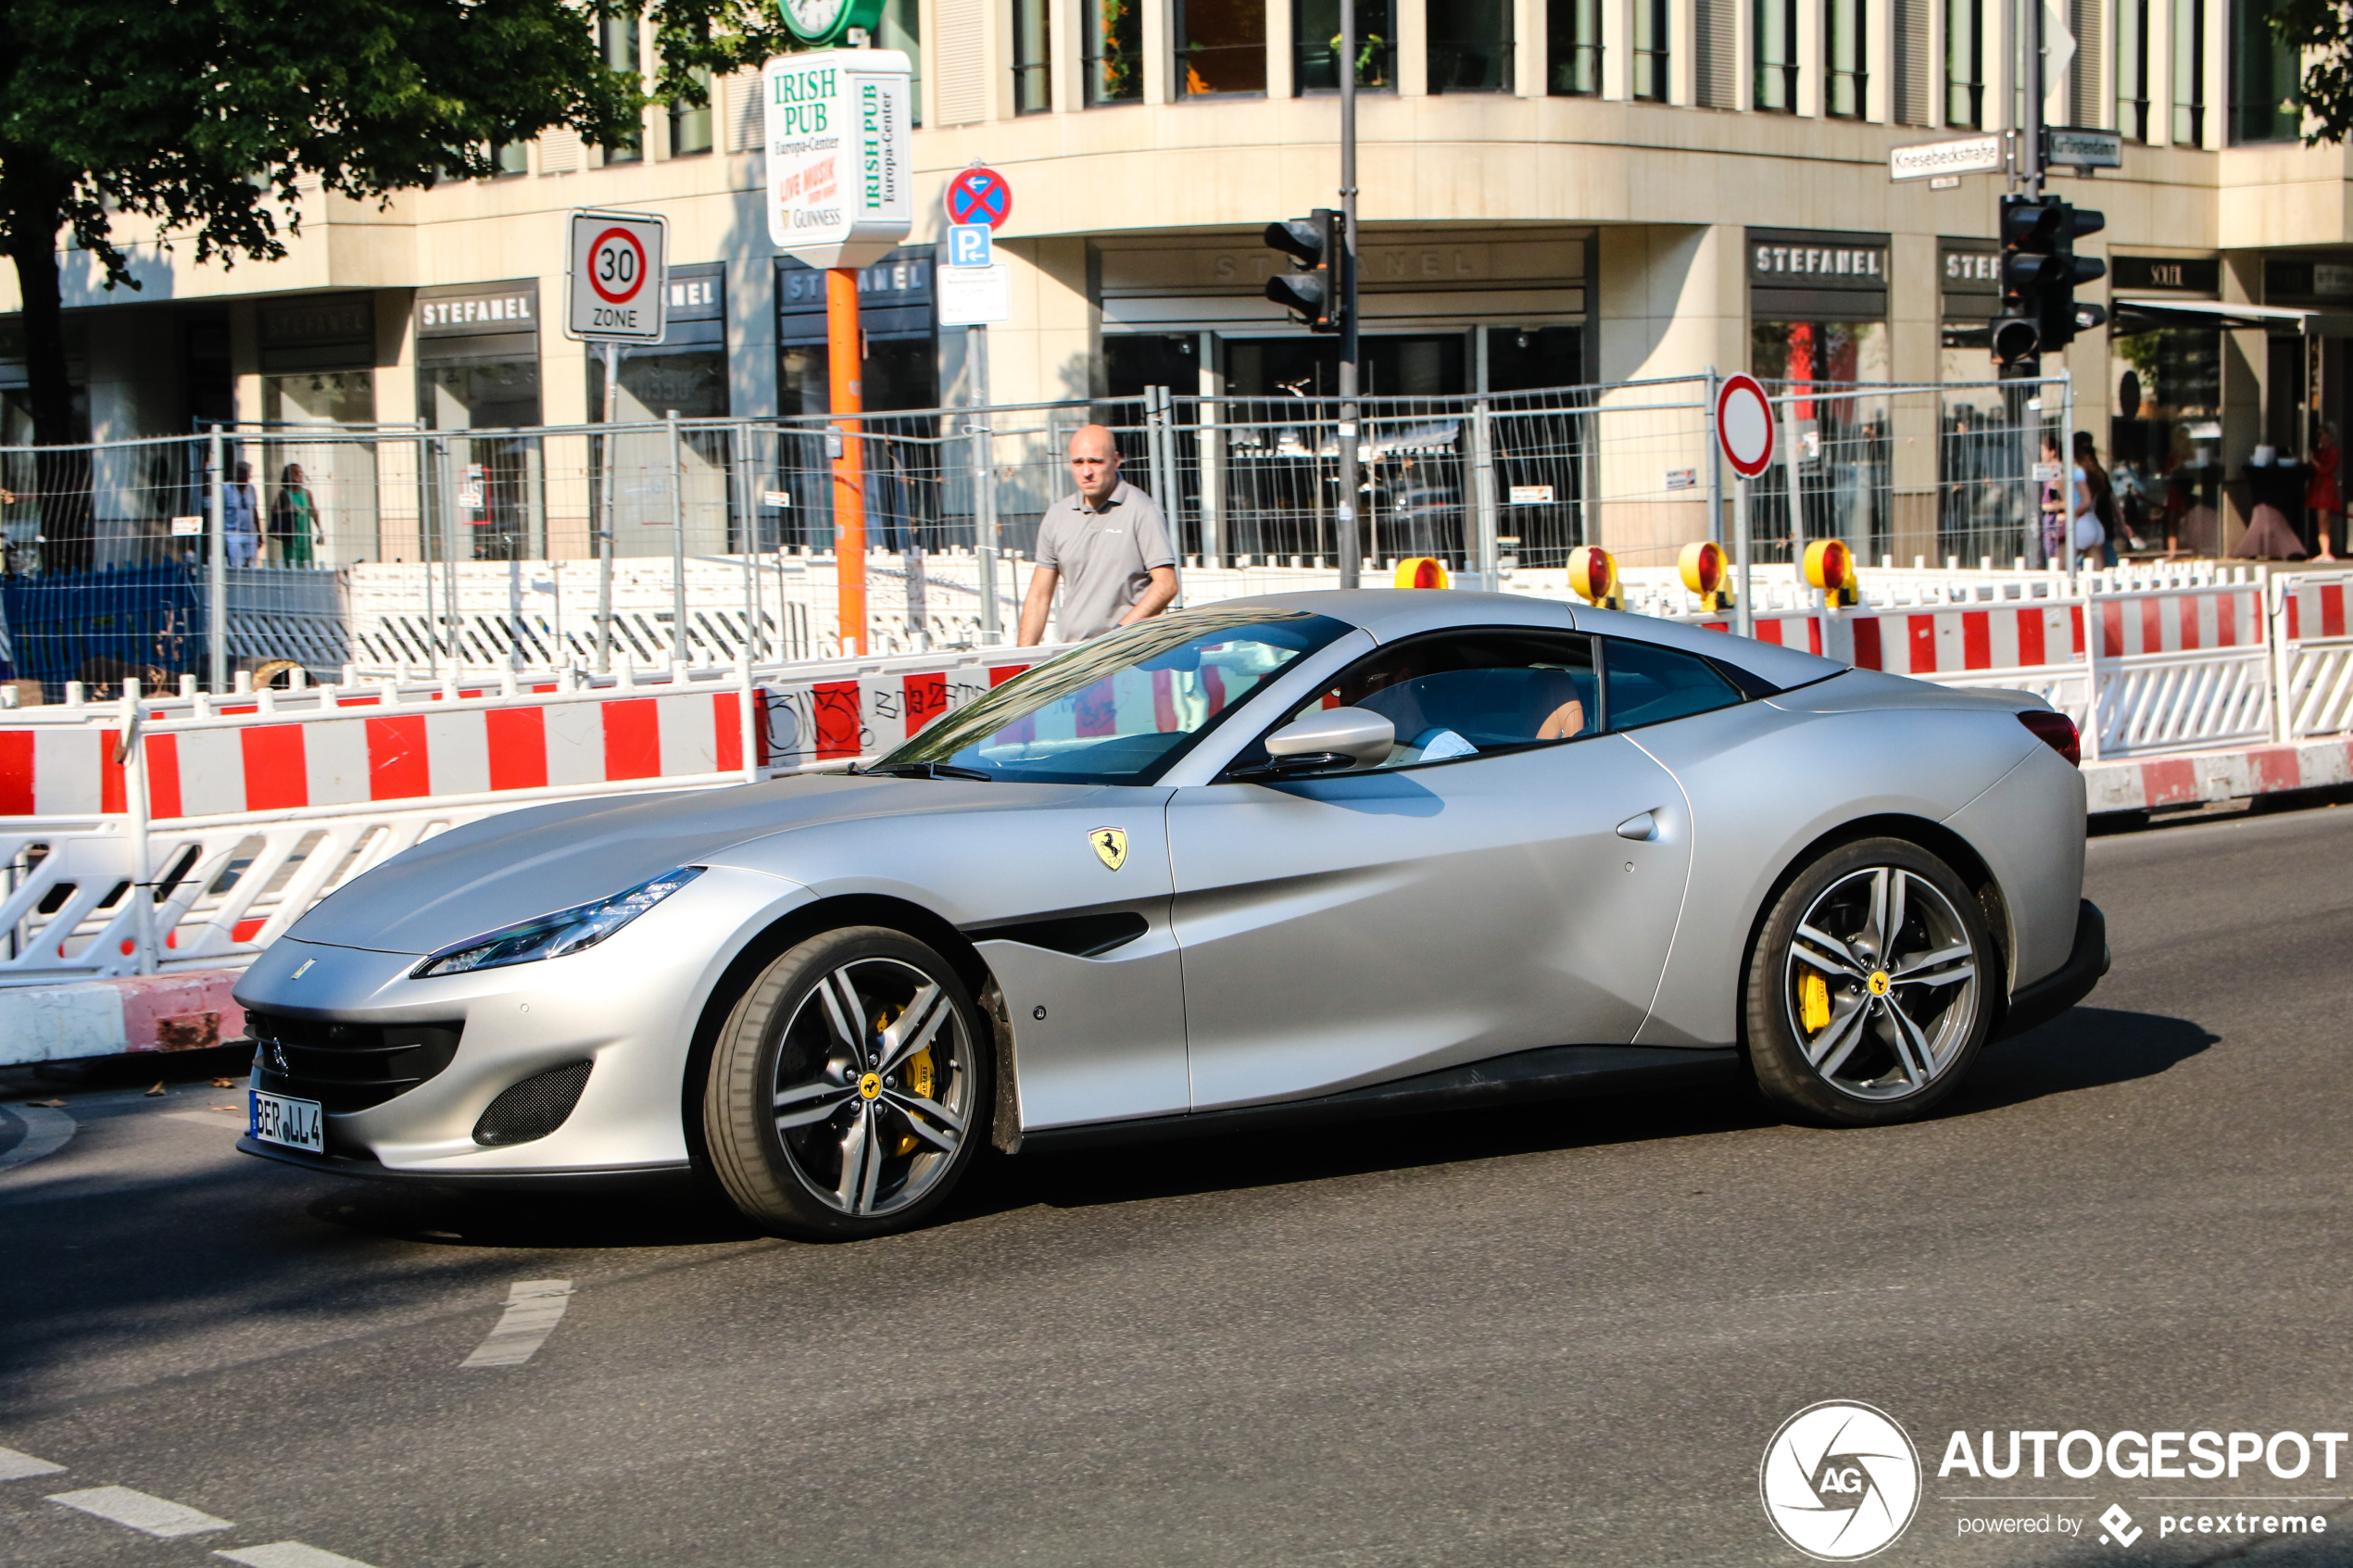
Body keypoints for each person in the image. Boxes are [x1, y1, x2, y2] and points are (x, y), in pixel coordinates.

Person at [1018, 423, 1178, 645]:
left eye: (1095, 461)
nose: (1086, 472)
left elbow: (1166, 585)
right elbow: (1039, 597)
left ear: (1115, 461)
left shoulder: (1142, 510)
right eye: (1078, 462)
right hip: (1074, 655)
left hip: (1128, 655)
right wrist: (1021, 666)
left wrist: (1117, 637)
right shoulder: (1058, 515)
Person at [2070, 431, 2118, 568]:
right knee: (2097, 573)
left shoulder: (2078, 473)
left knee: (2061, 568)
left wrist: (2070, 516)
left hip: (2081, 523)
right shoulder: (2096, 472)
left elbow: (2086, 501)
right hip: (2095, 523)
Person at [270, 463, 318, 567]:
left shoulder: (307, 494)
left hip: (305, 538)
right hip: (291, 538)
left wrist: (320, 531)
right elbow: (273, 511)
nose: (298, 475)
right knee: (292, 565)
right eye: (295, 473)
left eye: (300, 473)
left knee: (307, 565)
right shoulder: (284, 494)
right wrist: (287, 510)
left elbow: (314, 512)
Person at [2309, 422, 2342, 562]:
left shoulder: (2333, 451)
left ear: (2328, 434)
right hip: (2318, 486)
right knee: (2320, 521)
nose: (2319, 437)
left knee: (2323, 519)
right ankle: (2324, 551)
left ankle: (2326, 551)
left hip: (2326, 488)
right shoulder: (2319, 451)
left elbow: (2326, 470)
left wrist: (2314, 461)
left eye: (2321, 434)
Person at [2036, 432, 2066, 569]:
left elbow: (2066, 501)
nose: (2040, 454)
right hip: (2048, 522)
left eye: (2043, 450)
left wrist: (2046, 507)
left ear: (2052, 452)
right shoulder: (2046, 473)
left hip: (2056, 522)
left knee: (2055, 559)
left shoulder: (2060, 474)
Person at [223, 461, 260, 567]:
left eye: (248, 474)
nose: (247, 477)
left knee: (252, 565)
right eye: (244, 474)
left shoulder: (251, 488)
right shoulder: (226, 489)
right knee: (237, 565)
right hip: (233, 532)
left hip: (250, 532)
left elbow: (254, 510)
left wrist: (259, 533)